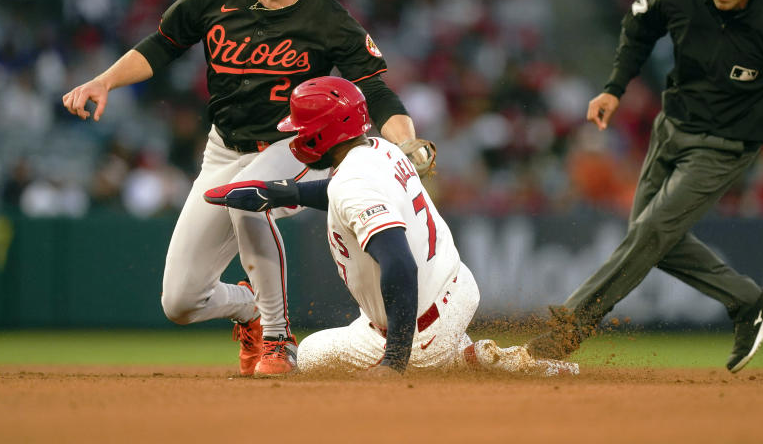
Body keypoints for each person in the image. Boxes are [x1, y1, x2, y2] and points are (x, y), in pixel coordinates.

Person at [62, 0, 422, 378]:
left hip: (297, 149)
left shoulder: (328, 19)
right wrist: (105, 81)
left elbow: (375, 88)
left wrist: (407, 142)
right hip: (223, 148)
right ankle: (249, 308)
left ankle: (278, 338)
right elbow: (163, 43)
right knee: (181, 300)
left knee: (246, 198)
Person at [525, 0, 763, 373]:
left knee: (651, 232)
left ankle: (569, 328)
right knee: (651, 237)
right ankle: (749, 301)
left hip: (725, 145)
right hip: (670, 128)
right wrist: (615, 87)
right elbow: (639, 22)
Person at [205, 76, 578, 377]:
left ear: (322, 134)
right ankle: (476, 356)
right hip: (457, 290)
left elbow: (399, 265)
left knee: (311, 358)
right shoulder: (379, 148)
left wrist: (394, 361)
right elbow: (344, 192)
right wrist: (283, 192)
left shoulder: (353, 184)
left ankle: (450, 357)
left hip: (418, 332)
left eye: (302, 128)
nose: (297, 134)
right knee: (373, 335)